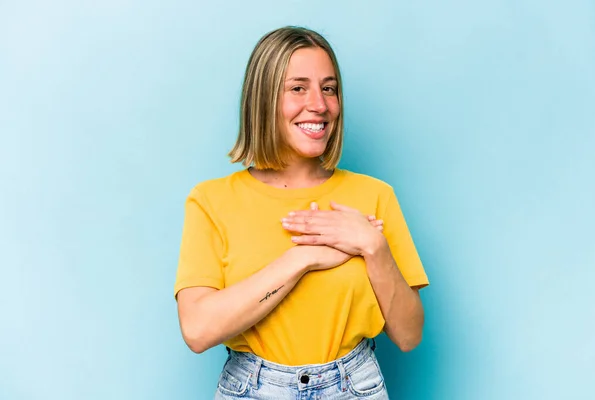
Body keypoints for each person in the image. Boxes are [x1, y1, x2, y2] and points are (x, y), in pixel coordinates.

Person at [174, 26, 429, 399]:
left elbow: (409, 336)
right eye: (298, 88)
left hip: (354, 386)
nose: (320, 105)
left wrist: (373, 246)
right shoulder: (212, 201)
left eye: (329, 88)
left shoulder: (374, 196)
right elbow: (197, 331)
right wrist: (303, 258)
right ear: (262, 99)